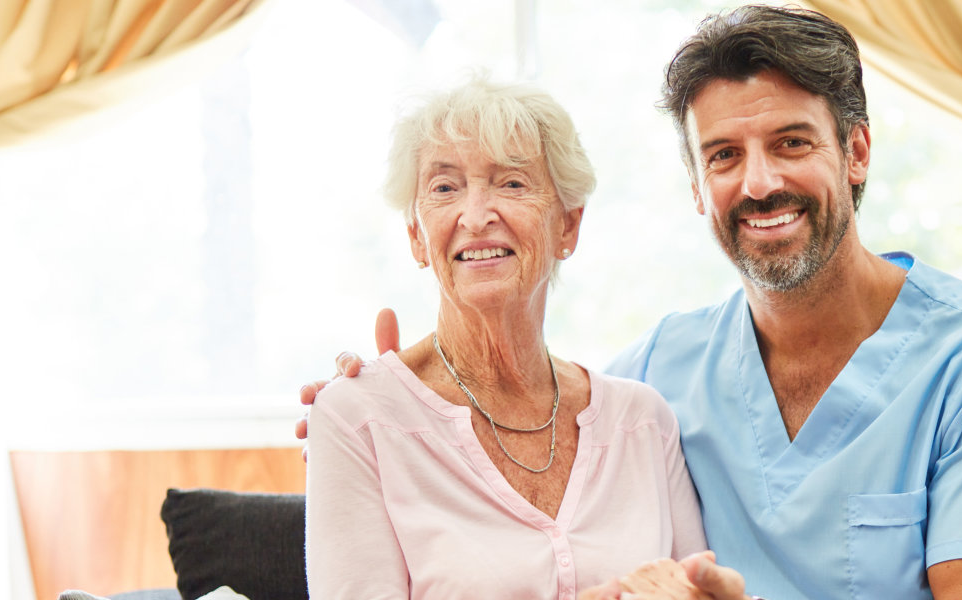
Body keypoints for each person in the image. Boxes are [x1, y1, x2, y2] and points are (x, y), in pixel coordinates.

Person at [300, 7, 962, 599]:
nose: (760, 183)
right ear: (698, 188)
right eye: (724, 156)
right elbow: (505, 427)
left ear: (857, 152)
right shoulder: (654, 382)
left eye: (792, 143)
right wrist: (384, 405)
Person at [302, 77, 707, 599]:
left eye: (512, 183)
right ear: (416, 238)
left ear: (568, 226)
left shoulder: (643, 421)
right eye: (445, 188)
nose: (475, 216)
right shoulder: (357, 419)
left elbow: (700, 591)